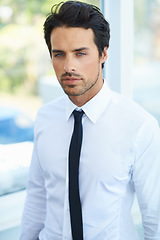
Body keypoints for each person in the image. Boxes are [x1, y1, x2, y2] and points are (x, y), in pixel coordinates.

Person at [20, 1, 160, 240]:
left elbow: (155, 217)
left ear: (103, 53)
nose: (68, 66)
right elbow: (37, 195)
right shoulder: (45, 118)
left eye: (80, 53)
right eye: (59, 54)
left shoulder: (139, 126)